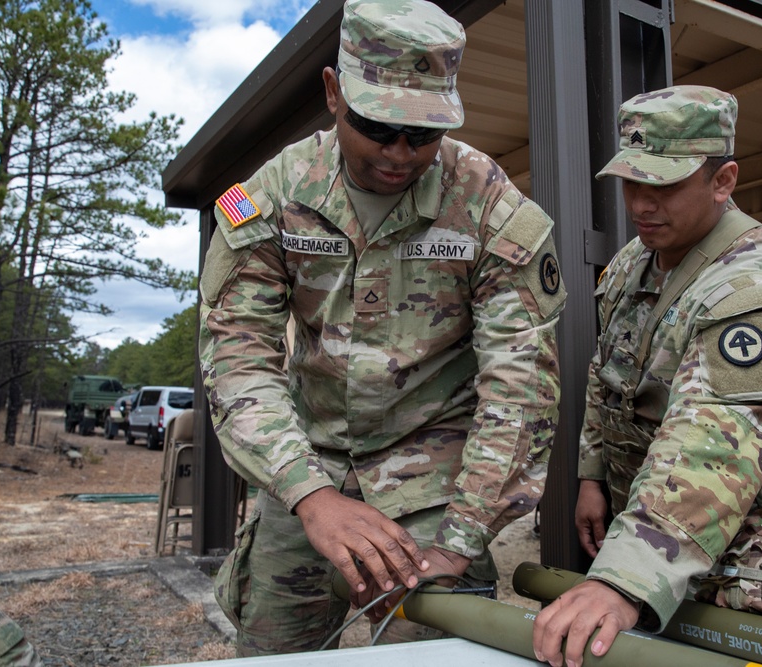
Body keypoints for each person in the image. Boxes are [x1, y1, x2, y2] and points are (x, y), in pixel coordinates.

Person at [198, 0, 566, 656]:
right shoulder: (277, 193)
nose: (400, 154)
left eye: (423, 135)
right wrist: (308, 493)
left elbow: (520, 389)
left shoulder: (486, 204)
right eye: (378, 128)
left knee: (431, 650)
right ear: (335, 93)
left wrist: (460, 539)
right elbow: (238, 353)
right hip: (304, 471)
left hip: (436, 488)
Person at [532, 86, 762, 666]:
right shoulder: (632, 263)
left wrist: (624, 579)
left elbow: (714, 445)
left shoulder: (753, 287)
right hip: (644, 533)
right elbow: (602, 375)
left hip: (728, 546)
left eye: (664, 185)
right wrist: (591, 476)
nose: (640, 204)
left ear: (723, 180)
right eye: (631, 182)